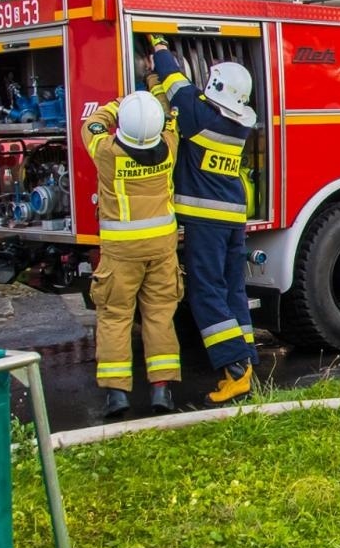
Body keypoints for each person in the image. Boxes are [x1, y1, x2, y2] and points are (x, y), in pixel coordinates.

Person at [148, 38, 260, 404]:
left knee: (206, 293)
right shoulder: (234, 122)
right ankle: (246, 363)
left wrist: (161, 49)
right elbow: (189, 94)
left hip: (207, 223)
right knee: (233, 290)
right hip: (231, 219)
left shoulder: (199, 117)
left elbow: (176, 82)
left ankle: (235, 369)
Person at [82, 90, 183, 419]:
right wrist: (155, 93)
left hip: (121, 252)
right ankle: (162, 390)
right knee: (159, 316)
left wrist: (118, 105)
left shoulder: (107, 152)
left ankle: (117, 396)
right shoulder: (169, 145)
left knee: (115, 318)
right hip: (162, 248)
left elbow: (93, 123)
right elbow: (170, 117)